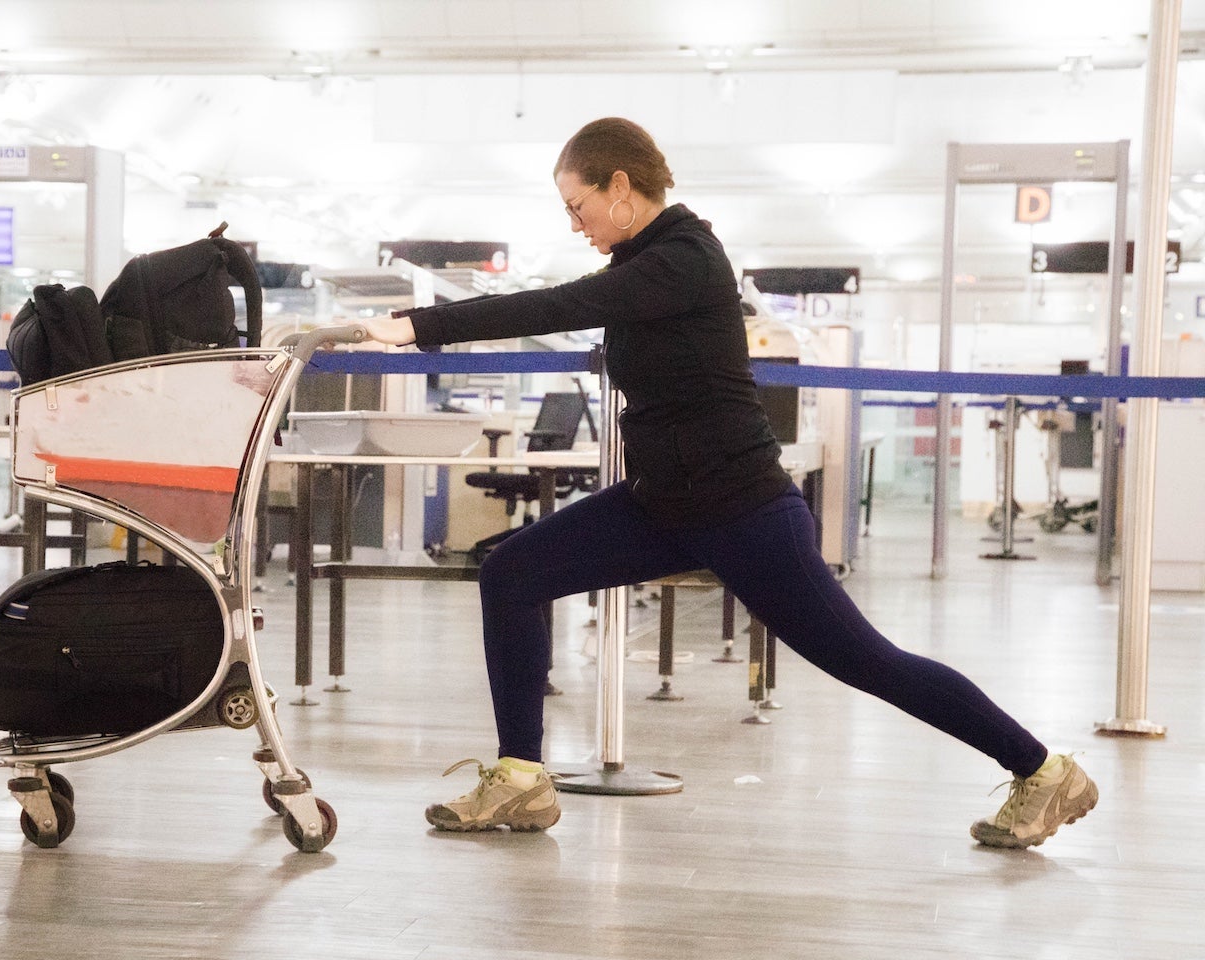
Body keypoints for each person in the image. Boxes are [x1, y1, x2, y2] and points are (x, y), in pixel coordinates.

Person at [352, 117, 1097, 849]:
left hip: (743, 511)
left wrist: (417, 326)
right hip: (664, 503)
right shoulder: (641, 264)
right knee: (512, 572)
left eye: (577, 206)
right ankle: (522, 777)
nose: (575, 222)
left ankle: (1043, 768)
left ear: (620, 185)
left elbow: (561, 304)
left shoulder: (686, 257)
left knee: (865, 660)